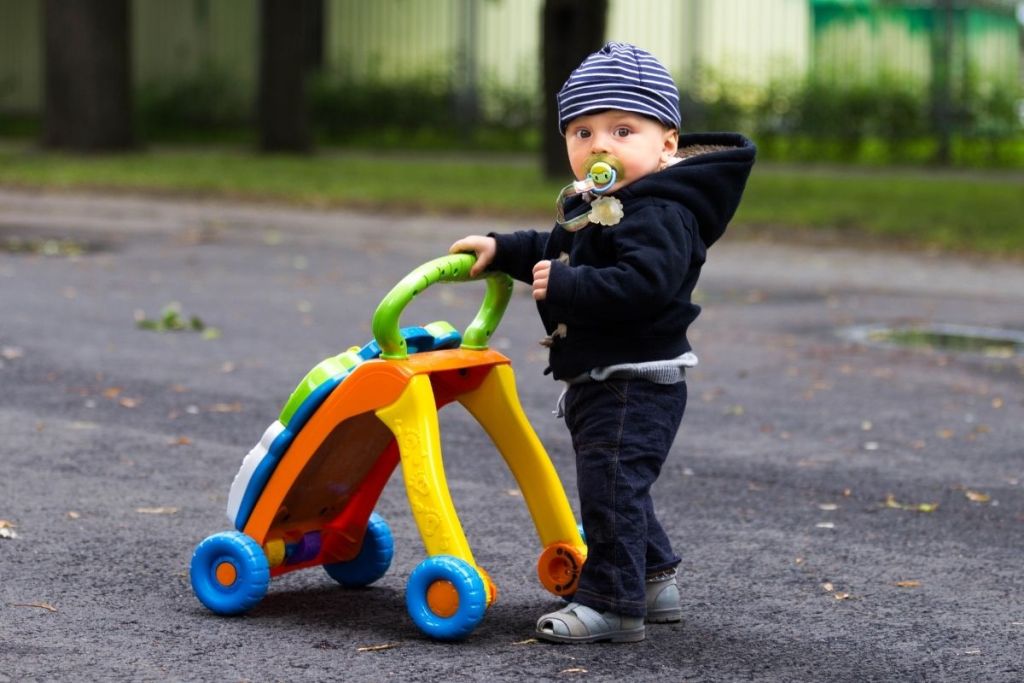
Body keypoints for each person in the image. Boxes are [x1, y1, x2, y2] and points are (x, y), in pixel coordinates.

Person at [450, 42, 756, 643]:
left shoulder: (662, 211)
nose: (600, 146)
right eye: (582, 132)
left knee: (609, 489)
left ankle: (613, 604)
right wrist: (503, 250)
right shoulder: (604, 202)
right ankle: (651, 579)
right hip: (603, 376)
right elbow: (558, 246)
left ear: (666, 143)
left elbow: (644, 285)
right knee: (619, 485)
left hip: (635, 381)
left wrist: (566, 286)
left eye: (622, 129)